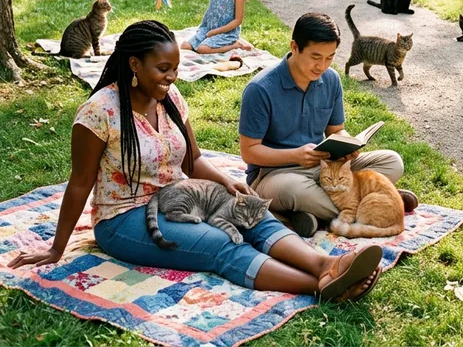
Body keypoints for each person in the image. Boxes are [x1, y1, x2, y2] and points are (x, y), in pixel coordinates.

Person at [8, 21, 384, 302]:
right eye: (162, 69)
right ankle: (322, 287)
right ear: (134, 64)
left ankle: (327, 266)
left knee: (253, 214)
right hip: (124, 218)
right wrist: (56, 248)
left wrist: (227, 183)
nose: (171, 78)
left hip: (184, 198)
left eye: (174, 68)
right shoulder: (98, 113)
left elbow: (194, 161)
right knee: (222, 243)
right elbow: (79, 184)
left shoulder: (172, 100)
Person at [239, 13, 418, 238]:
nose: (322, 66)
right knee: (295, 191)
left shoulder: (331, 80)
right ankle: (380, 206)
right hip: (277, 174)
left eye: (330, 58)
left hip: (327, 169)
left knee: (392, 161)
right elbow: (249, 151)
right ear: (294, 47)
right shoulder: (260, 89)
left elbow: (336, 130)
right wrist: (295, 156)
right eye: (316, 57)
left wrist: (348, 144)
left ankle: (314, 214)